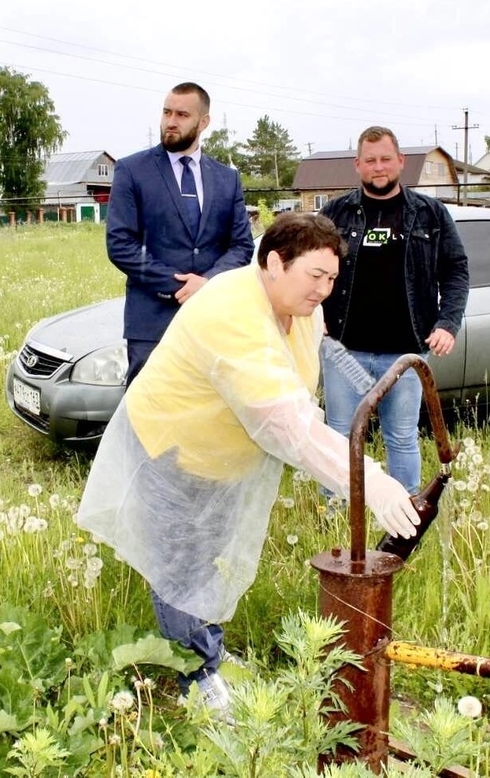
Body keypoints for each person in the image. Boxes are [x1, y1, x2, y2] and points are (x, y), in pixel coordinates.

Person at [77, 213, 419, 715]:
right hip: (172, 446)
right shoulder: (231, 314)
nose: (324, 290)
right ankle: (195, 677)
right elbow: (285, 423)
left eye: (331, 278)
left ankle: (206, 649)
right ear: (274, 263)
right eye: (315, 277)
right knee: (181, 567)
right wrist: (369, 481)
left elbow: (300, 391)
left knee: (208, 555)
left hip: (221, 452)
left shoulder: (301, 308)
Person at [320, 127, 469, 495]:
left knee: (401, 437)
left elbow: (456, 270)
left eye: (386, 159)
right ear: (358, 165)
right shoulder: (334, 214)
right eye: (370, 160)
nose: (379, 167)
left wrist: (448, 323)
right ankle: (336, 513)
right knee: (339, 434)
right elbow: (307, 265)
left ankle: (406, 516)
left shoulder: (430, 214)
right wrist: (313, 314)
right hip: (343, 350)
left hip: (406, 353)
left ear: (401, 161)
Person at [106, 81, 255, 384]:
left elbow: (241, 246)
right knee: (143, 417)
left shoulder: (227, 179)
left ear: (204, 122)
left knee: (205, 414)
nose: (171, 122)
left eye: (182, 115)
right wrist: (178, 286)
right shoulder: (132, 170)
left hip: (212, 322)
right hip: (151, 325)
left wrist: (208, 284)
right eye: (166, 112)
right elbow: (120, 244)